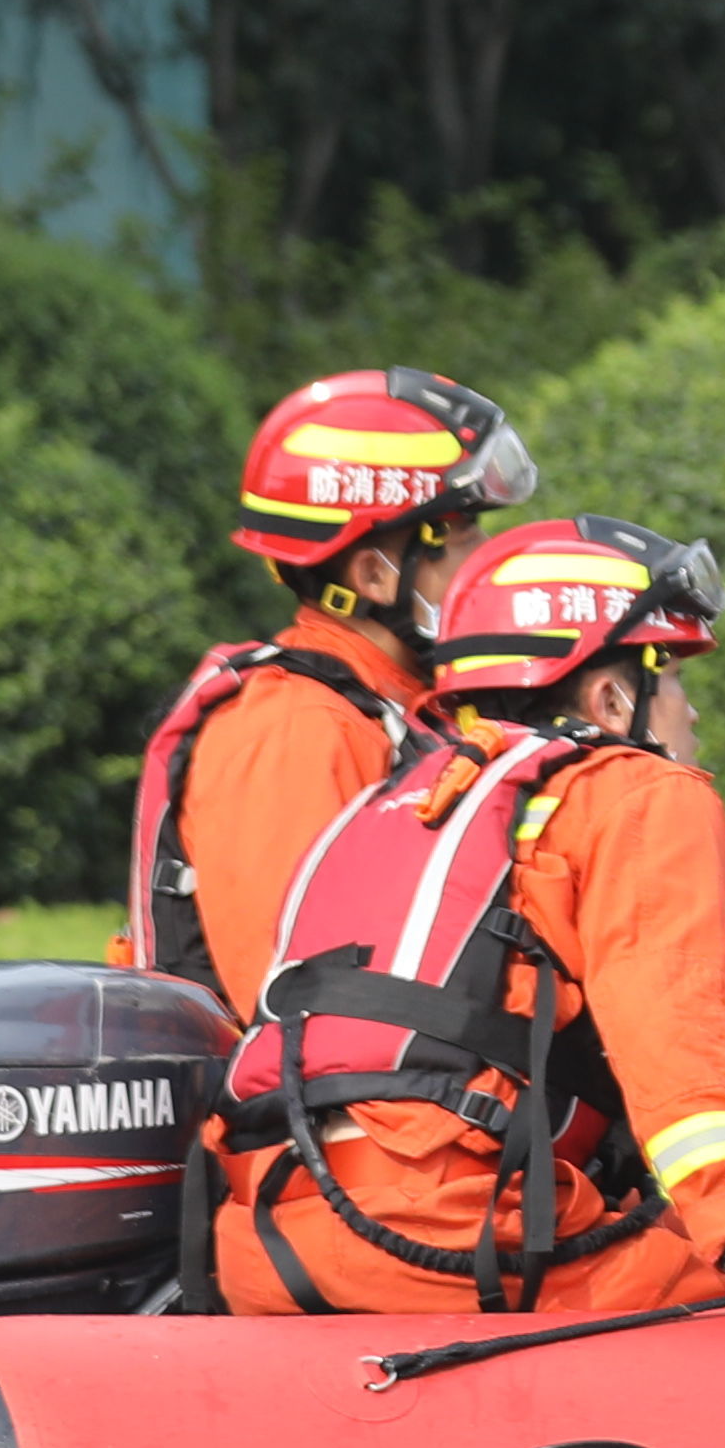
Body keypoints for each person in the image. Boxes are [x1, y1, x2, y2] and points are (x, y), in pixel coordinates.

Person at [213, 515, 725, 1324]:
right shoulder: (641, 793)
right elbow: (672, 1037)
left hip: (264, 1234)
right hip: (435, 1236)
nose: (691, 714)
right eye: (674, 679)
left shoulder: (395, 798)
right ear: (614, 697)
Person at [120, 366, 536, 1017]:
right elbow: (296, 1005)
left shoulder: (406, 710)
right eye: (463, 536)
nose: (489, 564)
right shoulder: (295, 727)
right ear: (375, 573)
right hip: (322, 1116)